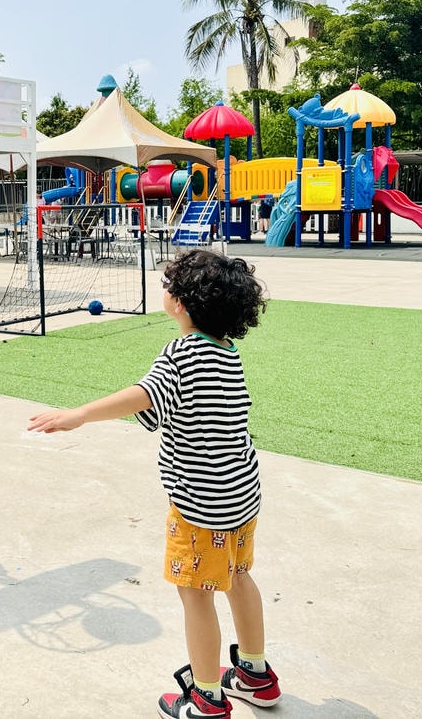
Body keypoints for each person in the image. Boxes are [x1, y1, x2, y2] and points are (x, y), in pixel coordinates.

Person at [27, 249, 280, 716]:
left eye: (169, 285)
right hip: (242, 496)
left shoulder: (181, 352)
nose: (164, 291)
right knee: (239, 577)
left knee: (196, 593)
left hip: (201, 505)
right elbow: (168, 410)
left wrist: (79, 414)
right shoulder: (228, 351)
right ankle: (254, 673)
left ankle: (206, 696)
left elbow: (144, 397)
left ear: (183, 303)